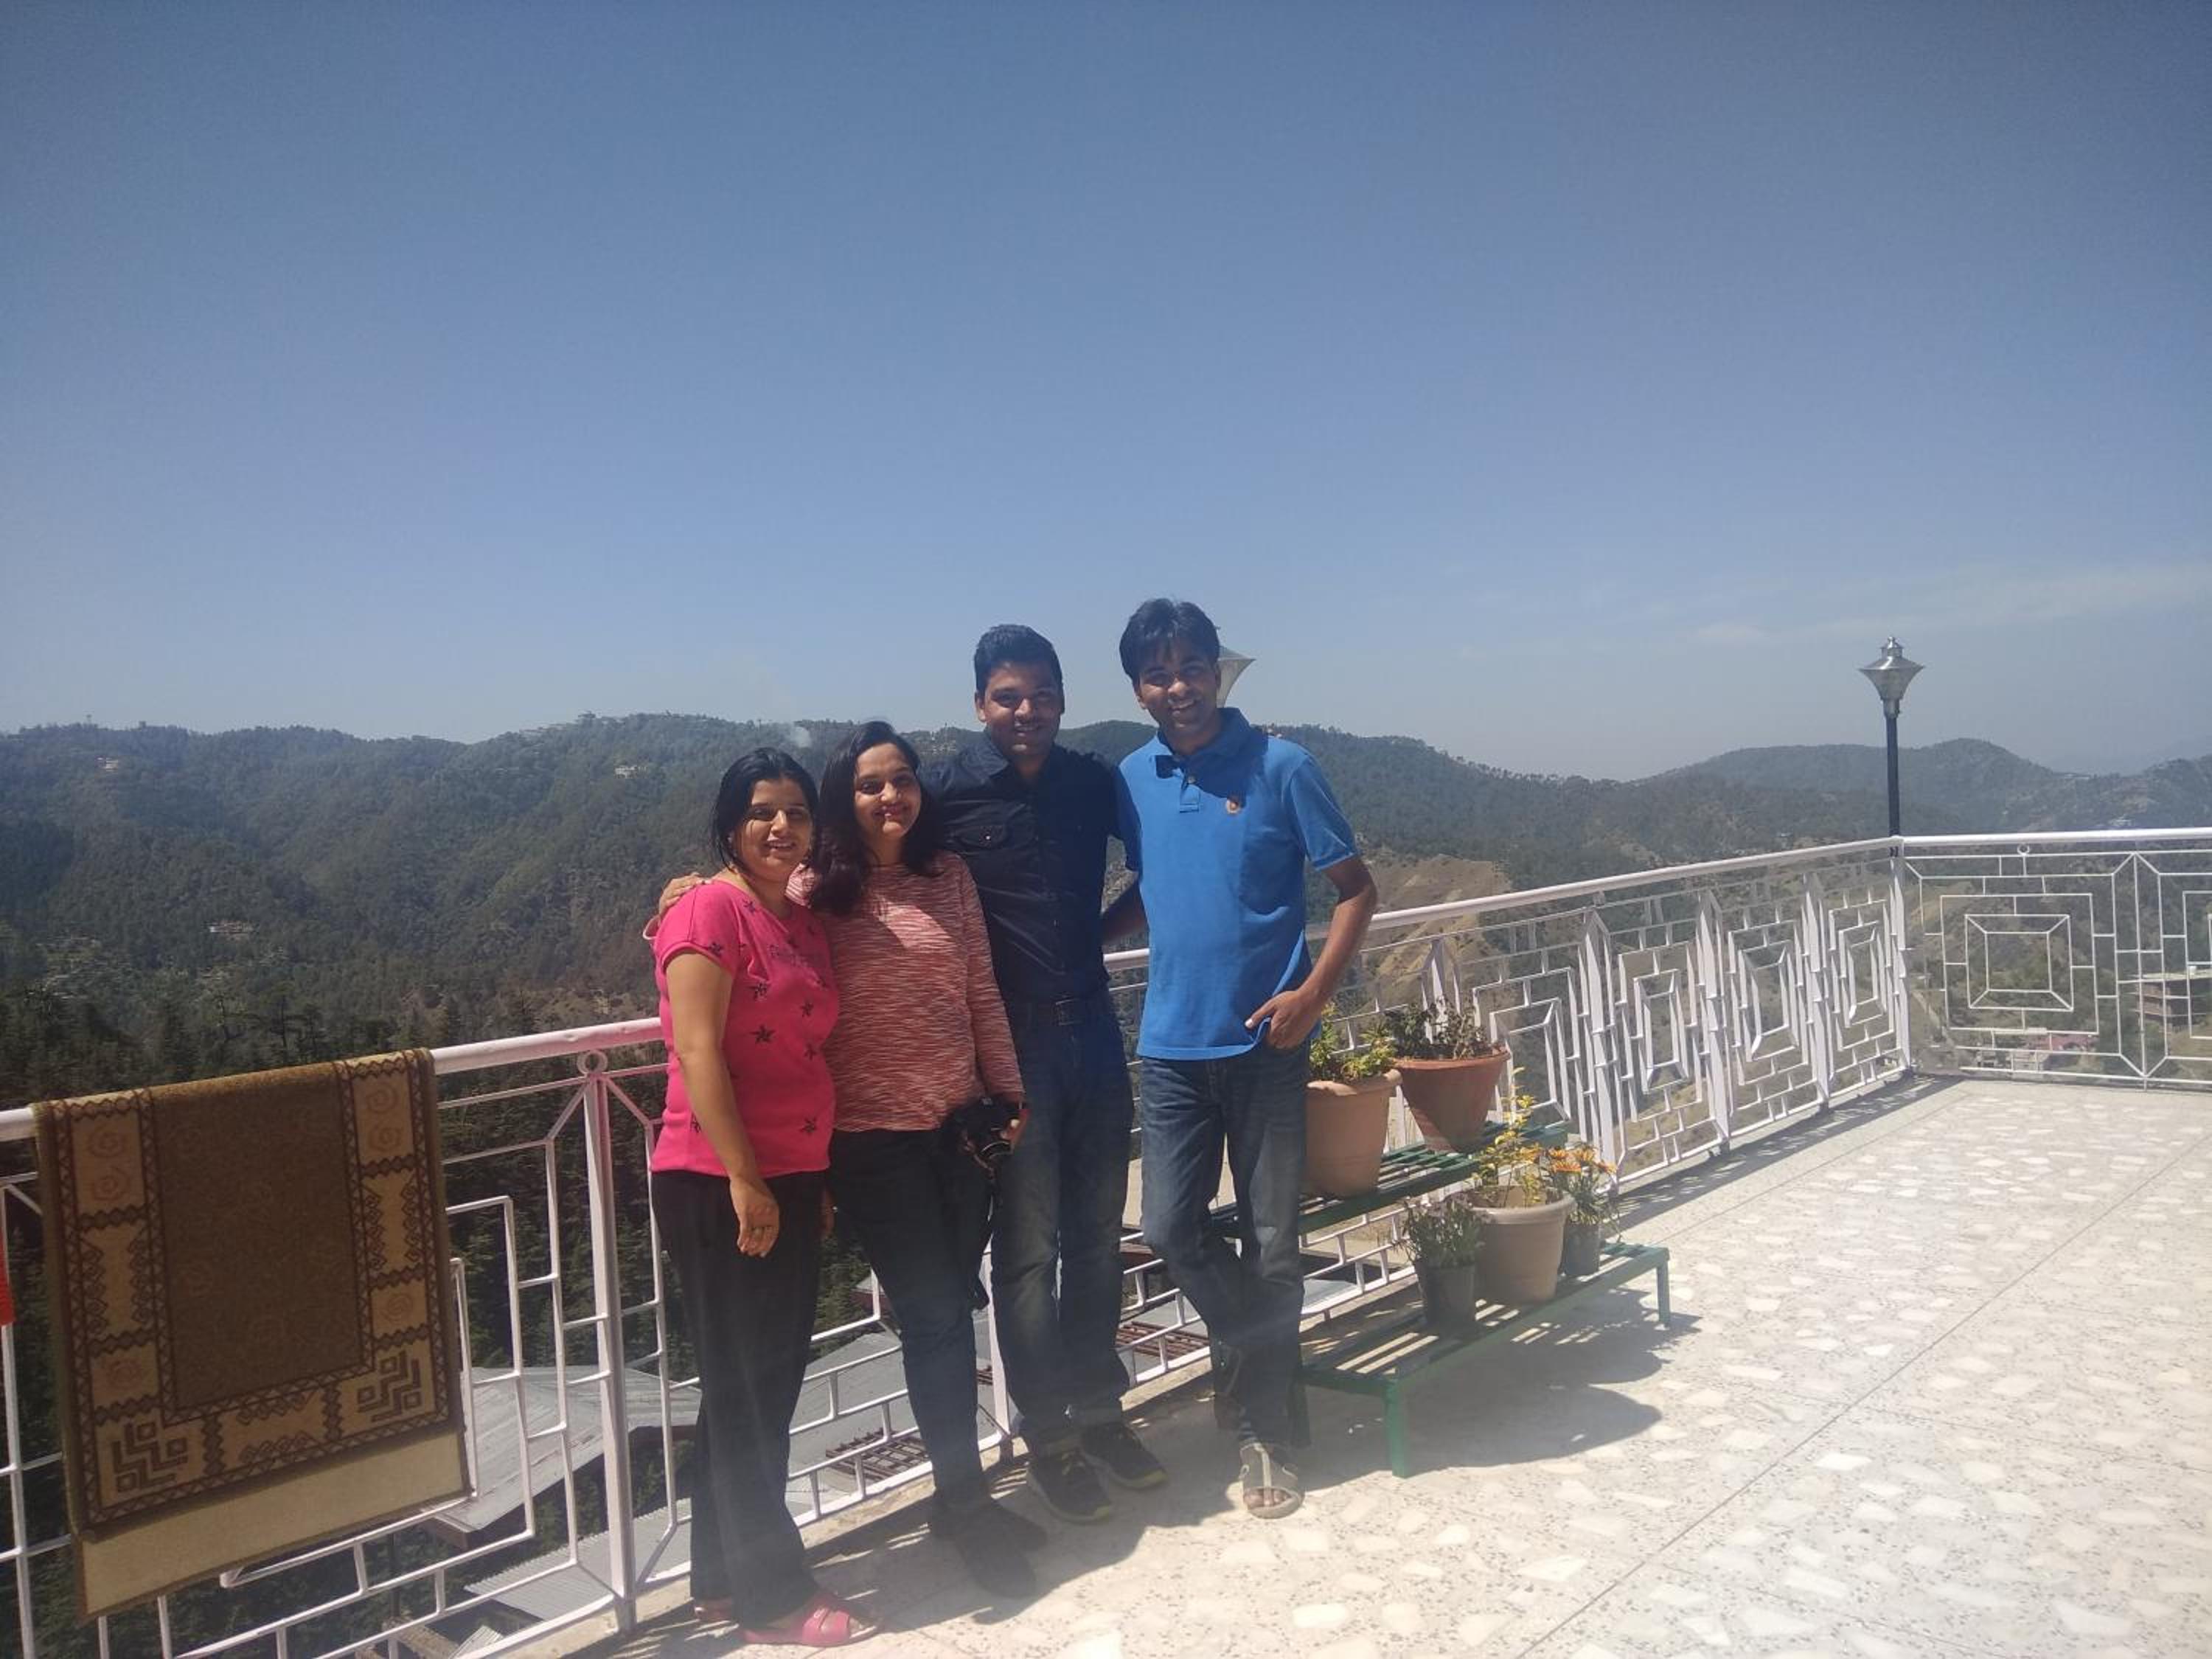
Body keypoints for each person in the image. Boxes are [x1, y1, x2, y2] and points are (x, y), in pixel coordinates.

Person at [1113, 599, 1377, 1520]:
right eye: (1158, 673)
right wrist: (1076, 940)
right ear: (1138, 689)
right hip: (1170, 1050)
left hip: (1269, 1045)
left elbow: (1356, 891)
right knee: (1169, 1229)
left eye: (1192, 667)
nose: (1178, 687)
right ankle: (1263, 1359)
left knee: (1272, 1246)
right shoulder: (1133, 777)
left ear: (1216, 670)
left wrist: (1313, 995)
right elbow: (1152, 885)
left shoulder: (1282, 766)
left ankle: (1266, 1434)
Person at [924, 625, 1164, 1526]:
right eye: (1008, 697)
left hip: (1094, 1031)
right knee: (1028, 1252)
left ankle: (1101, 1414)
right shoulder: (945, 790)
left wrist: (1096, 937)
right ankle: (1050, 1437)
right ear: (980, 704)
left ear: (1063, 699)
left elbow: (1162, 863)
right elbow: (858, 856)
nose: (1027, 711)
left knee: (1099, 1234)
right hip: (1011, 1046)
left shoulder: (1090, 782)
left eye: (1043, 695)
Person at [799, 721, 1044, 1599]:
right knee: (937, 1314)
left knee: (950, 1308)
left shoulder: (949, 877)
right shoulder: (813, 892)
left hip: (961, 1132)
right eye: (870, 784)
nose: (889, 796)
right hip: (871, 1142)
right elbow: (748, 942)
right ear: (844, 797)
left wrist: (1009, 1092)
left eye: (901, 779)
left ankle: (957, 1496)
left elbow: (980, 989)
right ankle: (967, 1506)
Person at [648, 749, 875, 1645]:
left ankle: (718, 1578)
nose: (782, 827)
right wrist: (746, 1178)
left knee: (748, 1387)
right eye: (761, 812)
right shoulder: (709, 910)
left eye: (797, 812)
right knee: (754, 1393)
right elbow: (698, 1050)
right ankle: (774, 1596)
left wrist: (804, 1180)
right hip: (717, 1179)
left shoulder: (799, 919)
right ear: (729, 825)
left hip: (790, 1173)